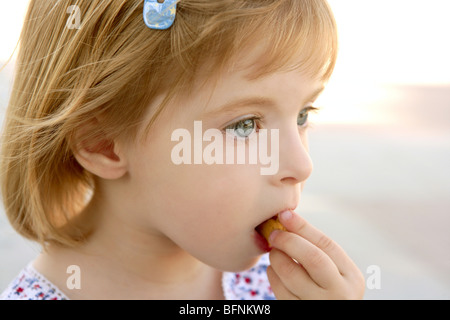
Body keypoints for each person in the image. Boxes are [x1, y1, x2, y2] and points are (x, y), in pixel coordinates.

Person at [0, 0, 365, 300]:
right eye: (244, 125)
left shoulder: (279, 289)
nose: (302, 165)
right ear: (103, 143)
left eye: (303, 114)